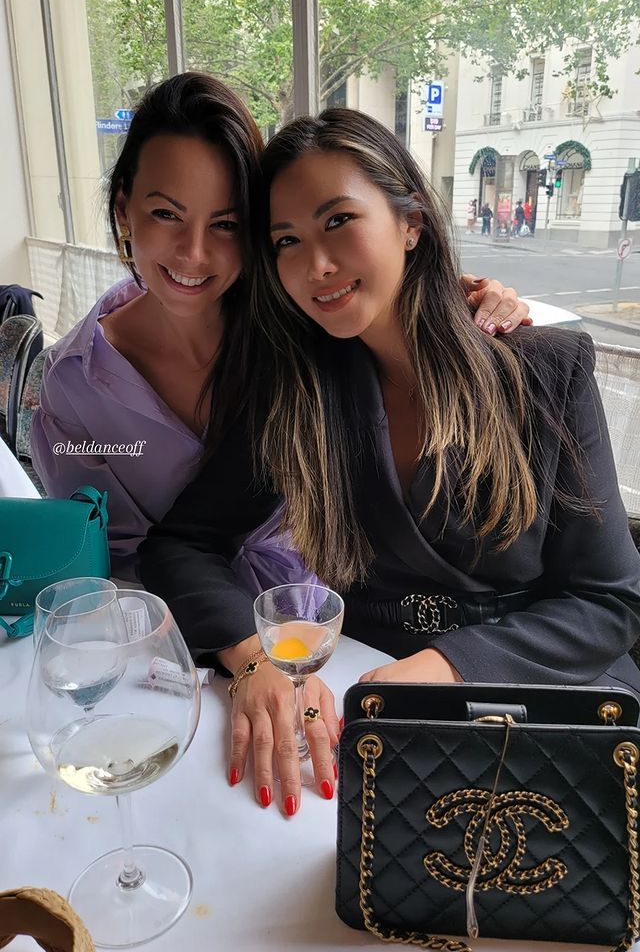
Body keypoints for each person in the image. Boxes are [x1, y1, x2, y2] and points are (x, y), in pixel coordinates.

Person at [139, 106, 640, 818]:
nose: (315, 266)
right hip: (369, 707)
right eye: (287, 241)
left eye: (339, 220)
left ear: (411, 222)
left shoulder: (538, 370)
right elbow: (182, 544)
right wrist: (253, 660)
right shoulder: (299, 395)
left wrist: (444, 669)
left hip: (545, 694)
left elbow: (609, 600)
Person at [30, 73, 527, 583]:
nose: (194, 253)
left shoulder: (301, 327)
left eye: (225, 224)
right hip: (181, 623)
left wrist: (462, 298)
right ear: (124, 211)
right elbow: (98, 560)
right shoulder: (72, 385)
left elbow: (387, 293)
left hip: (344, 616)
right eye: (165, 214)